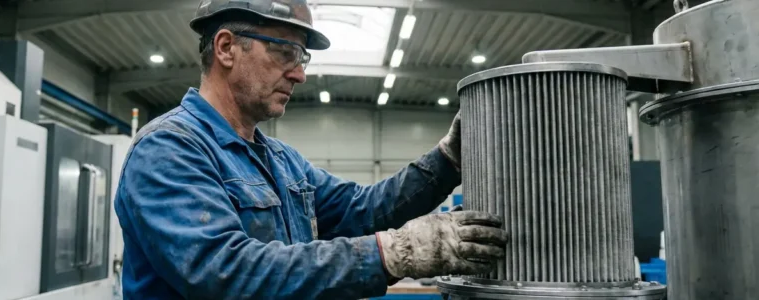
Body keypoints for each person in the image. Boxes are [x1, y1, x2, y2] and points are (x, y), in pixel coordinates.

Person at [113, 0, 509, 298]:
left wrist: (446, 160)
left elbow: (364, 210)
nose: (300, 73)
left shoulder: (282, 160)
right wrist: (392, 253)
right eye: (285, 53)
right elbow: (224, 271)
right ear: (226, 47)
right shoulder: (169, 148)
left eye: (302, 57)